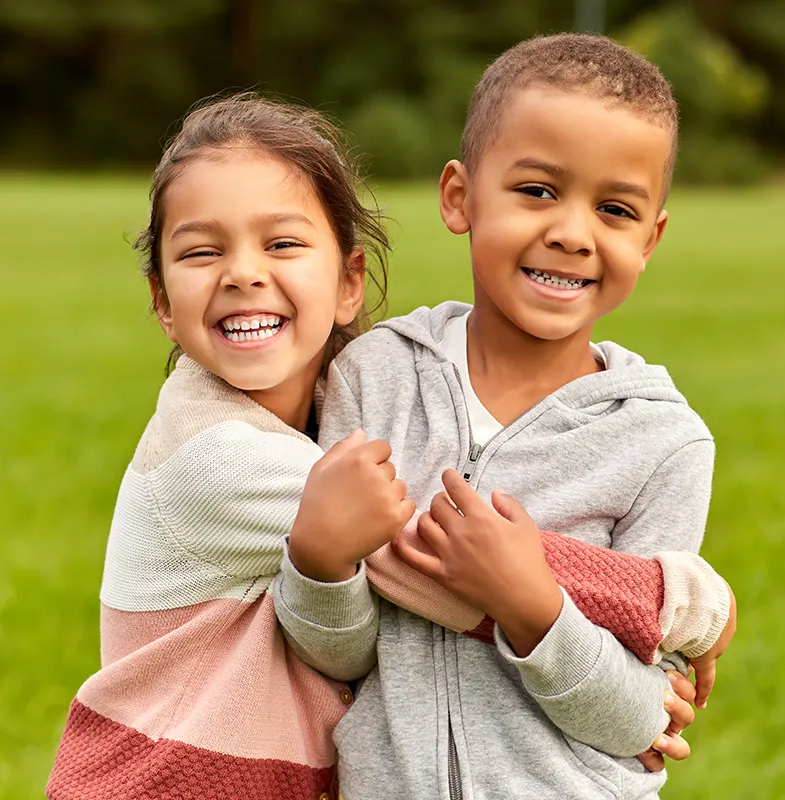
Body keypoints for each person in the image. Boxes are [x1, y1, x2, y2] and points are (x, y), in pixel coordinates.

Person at [46, 92, 733, 800]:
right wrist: (678, 601)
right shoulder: (217, 455)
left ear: (348, 283)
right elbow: (445, 552)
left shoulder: (351, 396)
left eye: (281, 243)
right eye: (201, 251)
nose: (243, 273)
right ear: (162, 302)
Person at [278, 33, 735, 799]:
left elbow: (642, 723)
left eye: (615, 208)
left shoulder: (661, 440)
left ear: (649, 238)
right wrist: (319, 565)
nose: (571, 231)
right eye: (537, 191)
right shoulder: (371, 376)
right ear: (460, 196)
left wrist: (531, 604)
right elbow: (342, 660)